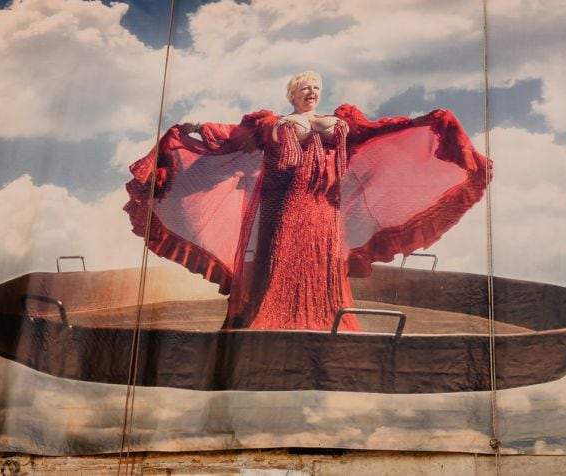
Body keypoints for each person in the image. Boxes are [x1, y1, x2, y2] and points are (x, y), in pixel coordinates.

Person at [124, 71, 491, 331]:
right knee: (283, 252)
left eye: (316, 87)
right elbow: (233, 136)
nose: (312, 92)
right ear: (293, 95)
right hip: (284, 202)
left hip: (323, 204)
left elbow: (381, 130)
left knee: (321, 254)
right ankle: (276, 315)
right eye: (305, 88)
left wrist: (424, 121)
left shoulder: (341, 120)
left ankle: (324, 312)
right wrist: (196, 128)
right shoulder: (272, 123)